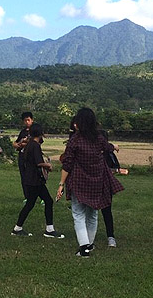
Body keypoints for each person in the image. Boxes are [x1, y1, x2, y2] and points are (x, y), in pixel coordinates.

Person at [55, 108, 123, 257]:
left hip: (78, 182)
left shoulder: (75, 140)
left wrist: (61, 184)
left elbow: (67, 164)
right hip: (97, 182)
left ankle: (84, 247)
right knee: (93, 214)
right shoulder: (98, 138)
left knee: (78, 214)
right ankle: (89, 245)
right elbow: (108, 147)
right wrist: (115, 147)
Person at [11, 123, 64, 238]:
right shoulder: (35, 145)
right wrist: (48, 166)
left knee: (35, 203)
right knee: (43, 202)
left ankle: (18, 228)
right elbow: (39, 162)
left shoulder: (29, 144)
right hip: (35, 180)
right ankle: (48, 229)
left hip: (31, 179)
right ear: (40, 133)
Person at [13, 112, 34, 200]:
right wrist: (16, 144)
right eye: (25, 120)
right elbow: (16, 142)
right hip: (22, 156)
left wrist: (26, 144)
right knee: (24, 177)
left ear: (32, 120)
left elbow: (38, 142)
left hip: (32, 157)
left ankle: (40, 197)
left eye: (28, 120)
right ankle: (27, 197)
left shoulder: (35, 130)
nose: (27, 122)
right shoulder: (23, 132)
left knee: (34, 177)